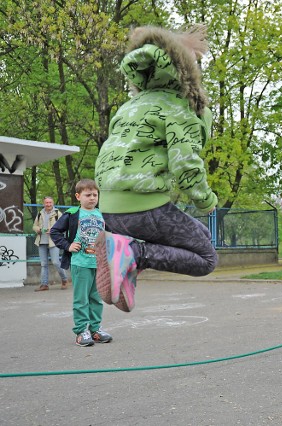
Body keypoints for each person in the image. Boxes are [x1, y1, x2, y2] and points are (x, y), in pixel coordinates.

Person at [94, 25, 218, 313]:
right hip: (144, 207)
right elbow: (186, 163)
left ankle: (123, 269)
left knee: (199, 233)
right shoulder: (177, 107)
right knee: (206, 257)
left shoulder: (130, 106)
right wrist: (205, 200)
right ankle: (135, 255)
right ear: (186, 71)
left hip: (109, 208)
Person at [50, 179, 112, 346]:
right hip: (81, 263)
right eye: (88, 195)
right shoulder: (72, 214)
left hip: (99, 264)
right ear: (78, 196)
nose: (92, 198)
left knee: (96, 299)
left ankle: (95, 329)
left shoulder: (102, 214)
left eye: (95, 194)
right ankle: (80, 332)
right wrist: (67, 245)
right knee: (81, 299)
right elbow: (55, 231)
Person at [32, 196, 69, 291]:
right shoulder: (40, 213)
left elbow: (64, 226)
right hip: (41, 241)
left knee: (56, 262)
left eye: (50, 202)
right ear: (44, 203)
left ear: (53, 203)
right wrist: (38, 230)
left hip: (54, 241)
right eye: (46, 203)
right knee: (43, 264)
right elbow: (34, 226)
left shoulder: (58, 213)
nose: (48, 204)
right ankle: (44, 285)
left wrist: (53, 231)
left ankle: (64, 280)